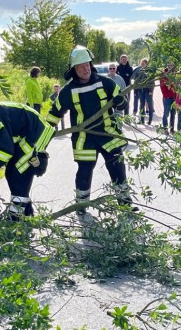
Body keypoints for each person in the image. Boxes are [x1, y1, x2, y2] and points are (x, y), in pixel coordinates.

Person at [46, 46, 133, 214]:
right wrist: (42, 136)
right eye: (81, 66)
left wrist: (119, 101)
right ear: (74, 70)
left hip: (108, 134)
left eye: (87, 65)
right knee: (84, 171)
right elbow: (54, 114)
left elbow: (123, 102)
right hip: (84, 139)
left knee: (118, 168)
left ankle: (125, 203)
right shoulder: (67, 92)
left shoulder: (105, 82)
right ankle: (81, 205)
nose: (85, 69)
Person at [131, 59, 155, 125]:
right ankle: (142, 120)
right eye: (141, 63)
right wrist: (135, 91)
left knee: (150, 105)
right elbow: (135, 81)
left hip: (147, 91)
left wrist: (151, 90)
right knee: (141, 105)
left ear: (147, 64)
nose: (142, 64)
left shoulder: (150, 71)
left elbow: (152, 81)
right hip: (140, 90)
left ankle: (150, 120)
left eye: (144, 63)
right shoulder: (137, 70)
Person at [159, 66, 177, 131]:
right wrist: (166, 96)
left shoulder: (175, 73)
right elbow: (162, 86)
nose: (171, 66)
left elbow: (177, 86)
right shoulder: (164, 73)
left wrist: (176, 96)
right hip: (167, 98)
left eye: (172, 64)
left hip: (174, 97)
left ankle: (172, 129)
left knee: (173, 114)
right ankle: (165, 128)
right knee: (166, 114)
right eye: (169, 64)